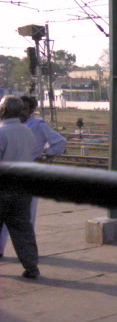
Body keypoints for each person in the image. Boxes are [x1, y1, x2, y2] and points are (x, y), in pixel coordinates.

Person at [0, 95, 66, 256]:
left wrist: (43, 157)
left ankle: (28, 256)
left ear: (31, 110)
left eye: (25, 108)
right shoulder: (14, 128)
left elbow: (60, 142)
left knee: (26, 221)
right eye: (19, 108)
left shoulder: (37, 125)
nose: (21, 112)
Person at [0, 95, 40, 278]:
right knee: (23, 229)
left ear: (3, 110)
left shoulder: (2, 133)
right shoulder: (28, 132)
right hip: (22, 188)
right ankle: (31, 266)